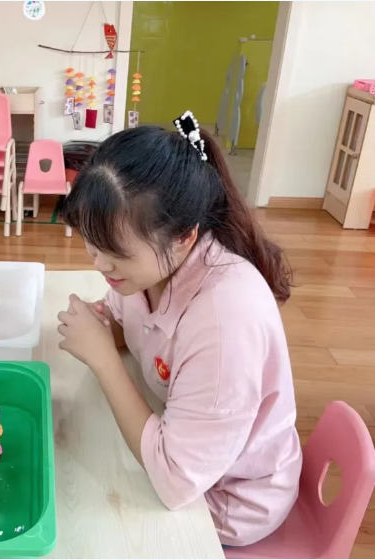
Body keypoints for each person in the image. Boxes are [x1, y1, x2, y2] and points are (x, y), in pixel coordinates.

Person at [56, 114, 302, 547]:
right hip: (183, 446)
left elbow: (174, 480)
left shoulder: (227, 320)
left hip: (228, 500)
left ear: (185, 237)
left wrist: (102, 358)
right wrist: (102, 326)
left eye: (115, 252)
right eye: (90, 243)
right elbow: (125, 321)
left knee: (80, 518)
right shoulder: (153, 267)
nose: (99, 264)